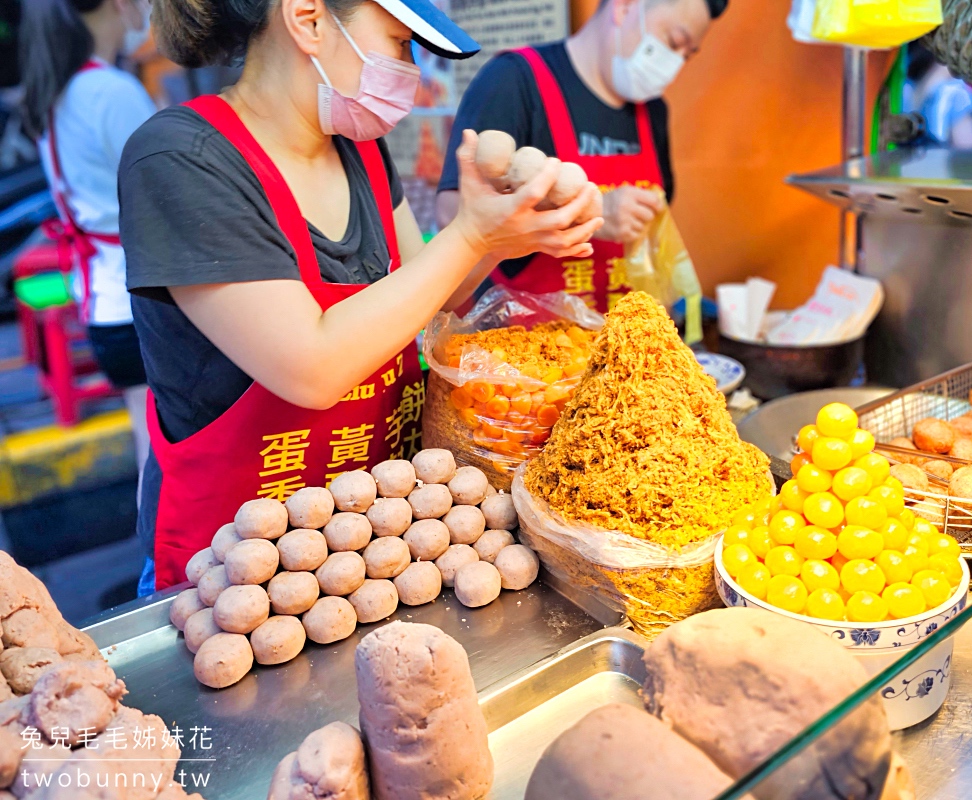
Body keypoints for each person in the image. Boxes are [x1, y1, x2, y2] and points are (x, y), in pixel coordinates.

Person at [120, 0, 602, 593]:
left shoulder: (360, 151)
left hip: (374, 539)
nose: (411, 69)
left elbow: (430, 295)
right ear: (308, 18)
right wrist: (472, 232)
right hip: (231, 569)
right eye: (400, 43)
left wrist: (509, 235)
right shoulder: (180, 159)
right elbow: (311, 368)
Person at [436, 0, 725, 313]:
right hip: (523, 343)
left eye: (687, 55)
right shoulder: (514, 80)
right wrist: (590, 216)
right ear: (625, 8)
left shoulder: (654, 111)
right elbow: (452, 213)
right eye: (673, 43)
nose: (675, 65)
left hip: (621, 343)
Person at [17, 0, 156, 478]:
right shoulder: (109, 91)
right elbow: (166, 191)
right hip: (145, 301)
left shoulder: (58, 87)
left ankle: (155, 553)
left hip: (105, 300)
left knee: (152, 453)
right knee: (169, 458)